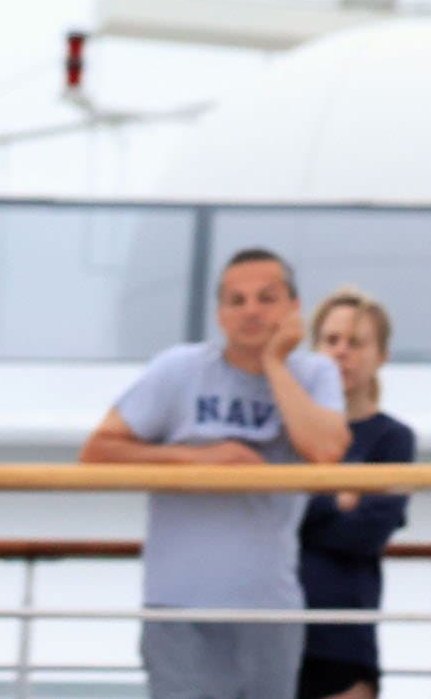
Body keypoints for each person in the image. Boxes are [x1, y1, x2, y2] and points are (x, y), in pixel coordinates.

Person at [80, 248, 351, 699]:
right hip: (178, 606)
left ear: (293, 308)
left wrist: (274, 364)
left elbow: (326, 452)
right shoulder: (178, 370)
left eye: (266, 298)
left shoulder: (314, 371)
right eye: (236, 300)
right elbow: (98, 452)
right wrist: (200, 461)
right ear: (220, 313)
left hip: (269, 608)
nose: (250, 311)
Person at [298, 288, 416, 699]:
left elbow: (366, 533)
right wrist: (339, 497)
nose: (341, 352)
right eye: (331, 341)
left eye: (356, 342)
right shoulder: (290, 430)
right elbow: (270, 513)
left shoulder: (393, 439)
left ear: (381, 355)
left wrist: (308, 499)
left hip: (343, 637)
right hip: (270, 626)